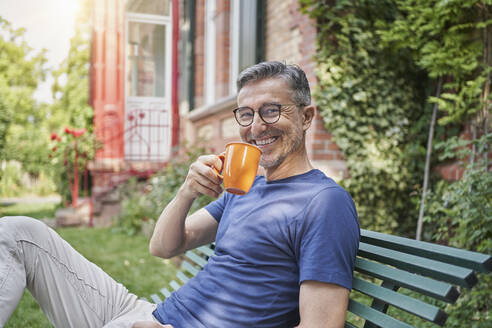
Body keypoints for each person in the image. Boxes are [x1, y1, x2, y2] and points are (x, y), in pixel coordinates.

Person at [0, 61, 359, 328]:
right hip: (142, 314)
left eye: (271, 110)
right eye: (246, 114)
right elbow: (164, 246)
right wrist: (187, 191)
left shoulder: (324, 203)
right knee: (18, 233)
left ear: (307, 115)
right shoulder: (247, 187)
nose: (256, 127)